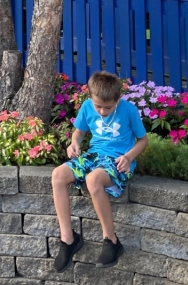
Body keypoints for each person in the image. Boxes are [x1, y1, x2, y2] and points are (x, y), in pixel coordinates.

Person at [51, 71, 149, 271]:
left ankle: (111, 240)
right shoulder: (87, 107)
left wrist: (129, 157)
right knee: (58, 175)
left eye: (108, 107)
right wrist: (74, 144)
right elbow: (79, 133)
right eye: (99, 107)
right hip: (94, 155)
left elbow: (143, 140)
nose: (102, 112)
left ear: (118, 99)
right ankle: (68, 239)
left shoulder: (128, 110)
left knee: (94, 180)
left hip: (118, 160)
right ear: (91, 98)